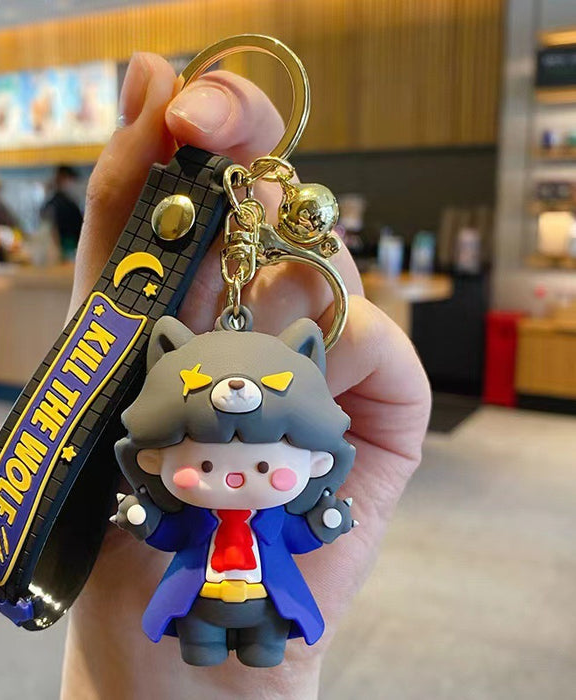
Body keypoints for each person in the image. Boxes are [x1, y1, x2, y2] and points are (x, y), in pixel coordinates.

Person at [61, 53, 431, 699]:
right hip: (196, 604)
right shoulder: (188, 509)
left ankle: (260, 652)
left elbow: (303, 531)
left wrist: (329, 523)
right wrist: (139, 519)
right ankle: (203, 645)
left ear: (318, 464)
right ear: (151, 458)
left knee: (265, 643)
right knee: (199, 636)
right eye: (205, 466)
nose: (233, 478)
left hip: (268, 605)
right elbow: (168, 529)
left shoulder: (281, 509)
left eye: (263, 467)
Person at [41, 165, 84, 259]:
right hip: (65, 247)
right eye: (70, 179)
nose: (72, 183)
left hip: (70, 247)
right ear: (63, 178)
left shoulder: (59, 202)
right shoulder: (61, 203)